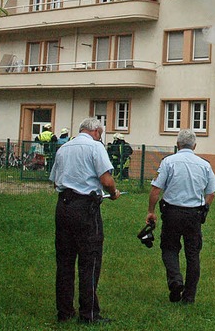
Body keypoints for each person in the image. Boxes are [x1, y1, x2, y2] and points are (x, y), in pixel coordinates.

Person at [49, 117, 120, 324]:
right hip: (85, 207)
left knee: (65, 261)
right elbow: (106, 179)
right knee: (90, 260)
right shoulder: (95, 147)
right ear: (96, 131)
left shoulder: (63, 148)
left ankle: (64, 311)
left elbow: (55, 181)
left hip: (63, 206)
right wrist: (113, 192)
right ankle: (88, 314)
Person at [146, 129, 215, 304]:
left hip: (172, 212)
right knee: (192, 254)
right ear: (194, 145)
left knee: (169, 248)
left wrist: (151, 211)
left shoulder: (168, 162)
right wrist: (205, 208)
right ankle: (189, 296)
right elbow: (211, 193)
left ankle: (175, 280)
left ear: (178, 144)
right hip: (194, 214)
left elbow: (156, 189)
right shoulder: (204, 164)